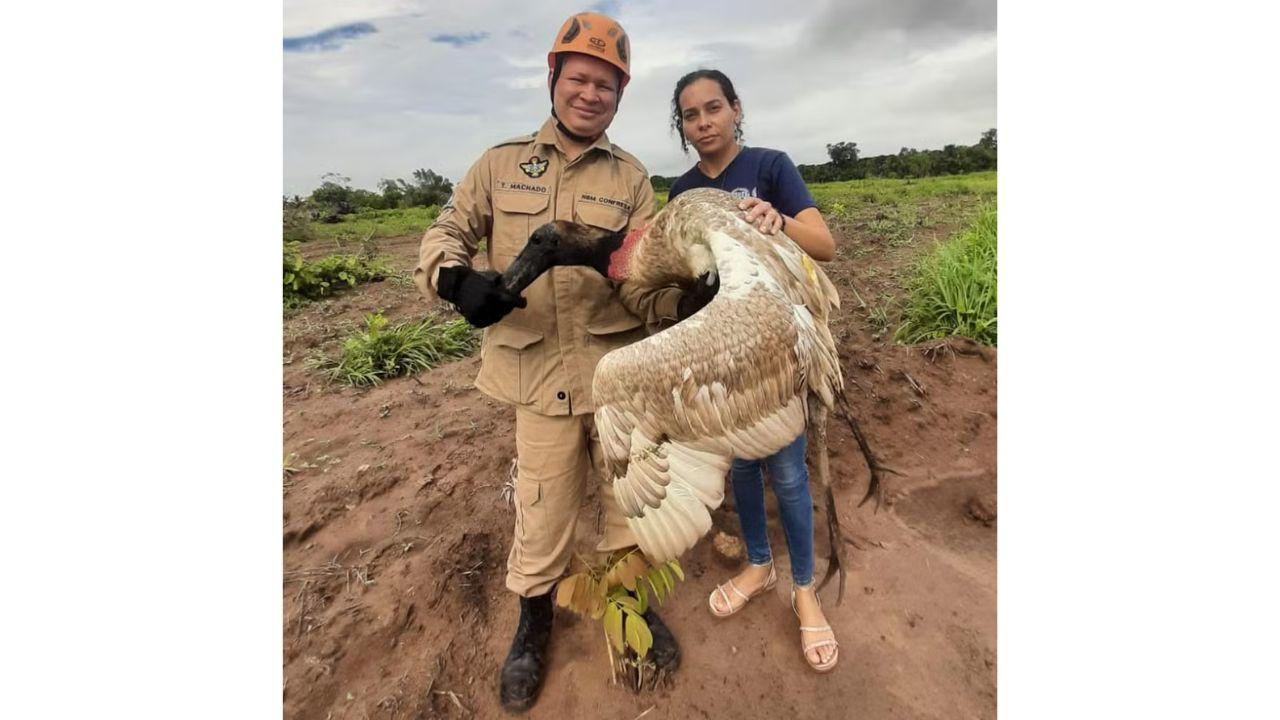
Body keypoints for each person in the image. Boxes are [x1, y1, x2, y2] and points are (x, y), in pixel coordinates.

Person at [414, 12, 684, 712]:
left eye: (607, 85)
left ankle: (633, 610)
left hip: (618, 373)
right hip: (539, 376)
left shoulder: (632, 178)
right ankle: (532, 626)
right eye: (580, 79)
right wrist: (453, 278)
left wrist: (684, 300)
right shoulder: (500, 164)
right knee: (542, 509)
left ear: (620, 96)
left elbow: (646, 278)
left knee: (633, 503)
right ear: (554, 79)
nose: (591, 94)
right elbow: (448, 230)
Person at [666, 68, 840, 673]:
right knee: (738, 462)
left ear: (736, 110)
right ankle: (758, 565)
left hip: (777, 351)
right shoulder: (682, 191)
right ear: (682, 128)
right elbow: (685, 275)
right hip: (721, 354)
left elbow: (824, 244)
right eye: (691, 115)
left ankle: (803, 589)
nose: (704, 121)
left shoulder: (770, 167)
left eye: (714, 108)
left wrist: (777, 222)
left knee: (788, 471)